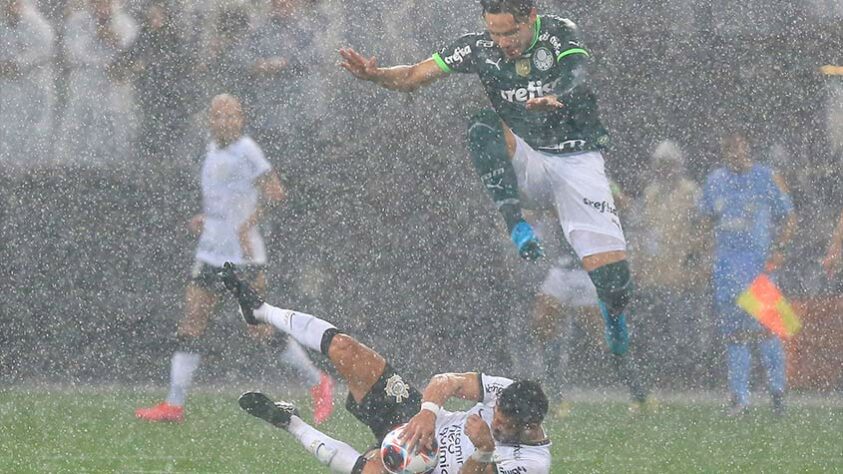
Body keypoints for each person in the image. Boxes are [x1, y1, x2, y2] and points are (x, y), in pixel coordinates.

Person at [339, 0, 643, 394]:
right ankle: (515, 223)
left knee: (615, 284)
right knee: (483, 123)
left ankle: (614, 320)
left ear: (530, 18)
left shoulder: (559, 31)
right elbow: (414, 75)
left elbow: (576, 74)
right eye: (495, 32)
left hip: (576, 159)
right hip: (528, 158)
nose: (502, 43)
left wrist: (559, 96)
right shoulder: (478, 47)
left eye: (509, 33)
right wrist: (376, 75)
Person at [220, 262, 552, 474]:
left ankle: (287, 421)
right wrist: (428, 413)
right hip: (412, 420)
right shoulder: (504, 394)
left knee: (373, 473)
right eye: (497, 416)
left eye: (504, 425)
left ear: (530, 425)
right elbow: (446, 381)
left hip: (426, 471)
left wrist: (484, 449)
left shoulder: (532, 465)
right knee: (345, 348)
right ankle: (260, 310)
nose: (495, 422)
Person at [135, 94, 333, 424]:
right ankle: (174, 405)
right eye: (219, 116)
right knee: (192, 322)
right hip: (211, 251)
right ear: (209, 120)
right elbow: (226, 198)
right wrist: (208, 218)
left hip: (243, 256)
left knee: (259, 328)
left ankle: (318, 382)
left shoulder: (247, 150)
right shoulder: (212, 148)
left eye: (232, 116)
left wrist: (246, 226)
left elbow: (276, 193)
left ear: (241, 119)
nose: (225, 122)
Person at [699, 130, 798, 416]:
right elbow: (706, 221)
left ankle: (778, 394)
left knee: (768, 330)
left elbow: (790, 218)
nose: (736, 154)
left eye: (740, 148)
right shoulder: (715, 180)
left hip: (758, 266)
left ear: (749, 148)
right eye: (729, 149)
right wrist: (704, 255)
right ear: (723, 152)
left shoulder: (767, 177)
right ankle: (739, 399)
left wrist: (780, 249)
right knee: (735, 335)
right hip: (726, 269)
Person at [57, 0, 138, 167]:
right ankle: (73, 167)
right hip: (85, 84)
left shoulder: (125, 22)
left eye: (106, 4)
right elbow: (73, 51)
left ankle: (115, 166)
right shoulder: (77, 22)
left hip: (113, 86)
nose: (102, 8)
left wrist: (115, 40)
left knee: (114, 124)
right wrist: (96, 37)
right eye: (97, 3)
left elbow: (132, 49)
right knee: (78, 125)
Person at [0, 0, 54, 170]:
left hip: (34, 86)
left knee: (34, 129)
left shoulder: (37, 24)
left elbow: (43, 49)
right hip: (8, 88)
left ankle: (33, 171)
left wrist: (16, 64)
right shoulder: (5, 22)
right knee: (8, 128)